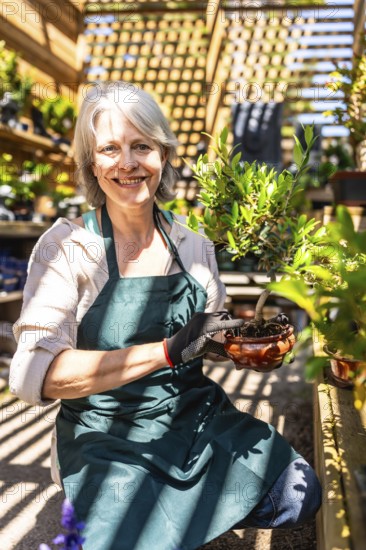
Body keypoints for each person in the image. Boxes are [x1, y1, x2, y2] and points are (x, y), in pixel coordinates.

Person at [10, 82, 321, 550]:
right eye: (110, 148)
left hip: (192, 416)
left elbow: (205, 337)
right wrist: (167, 350)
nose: (128, 163)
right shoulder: (67, 248)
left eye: (142, 146)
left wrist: (235, 347)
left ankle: (174, 516)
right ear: (92, 163)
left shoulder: (193, 245)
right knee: (122, 530)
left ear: (164, 154)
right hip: (104, 431)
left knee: (298, 493)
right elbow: (33, 375)